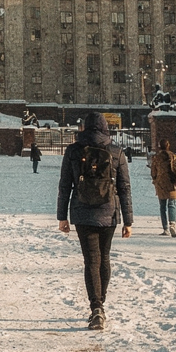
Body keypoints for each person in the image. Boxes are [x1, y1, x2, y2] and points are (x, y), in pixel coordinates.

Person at [57, 111, 133, 330]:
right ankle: (101, 303)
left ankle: (96, 307)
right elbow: (124, 188)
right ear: (105, 128)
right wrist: (128, 220)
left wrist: (62, 217)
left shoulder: (73, 151)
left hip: (82, 212)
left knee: (91, 260)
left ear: (84, 127)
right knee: (105, 257)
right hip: (108, 212)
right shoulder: (116, 152)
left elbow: (65, 185)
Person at [149, 138, 176, 237]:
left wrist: (155, 179)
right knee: (172, 204)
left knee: (162, 206)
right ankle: (172, 224)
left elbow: (153, 172)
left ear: (159, 146)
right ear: (168, 145)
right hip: (172, 182)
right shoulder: (173, 157)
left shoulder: (157, 158)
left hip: (161, 184)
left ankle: (165, 228)